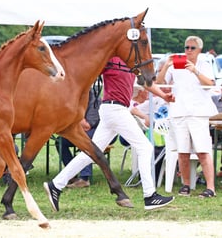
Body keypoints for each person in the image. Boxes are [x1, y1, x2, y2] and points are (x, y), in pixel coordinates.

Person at [44, 56, 175, 211]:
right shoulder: (111, 60)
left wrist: (164, 96)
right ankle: (149, 196)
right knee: (145, 148)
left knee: (90, 153)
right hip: (115, 109)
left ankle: (56, 184)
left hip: (113, 109)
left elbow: (146, 82)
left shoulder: (132, 62)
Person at [156, 36, 217, 198]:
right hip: (179, 111)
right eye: (186, 47)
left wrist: (195, 71)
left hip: (198, 112)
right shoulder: (175, 65)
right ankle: (186, 185)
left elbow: (210, 85)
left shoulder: (204, 64)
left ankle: (210, 188)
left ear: (199, 51)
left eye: (192, 48)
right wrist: (166, 66)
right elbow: (160, 83)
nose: (188, 50)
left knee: (203, 150)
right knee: (182, 151)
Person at [55, 87, 101, 188]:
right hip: (78, 131)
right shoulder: (73, 99)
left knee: (84, 141)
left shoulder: (94, 99)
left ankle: (84, 178)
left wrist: (72, 114)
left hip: (94, 133)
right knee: (60, 141)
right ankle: (72, 174)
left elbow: (87, 125)